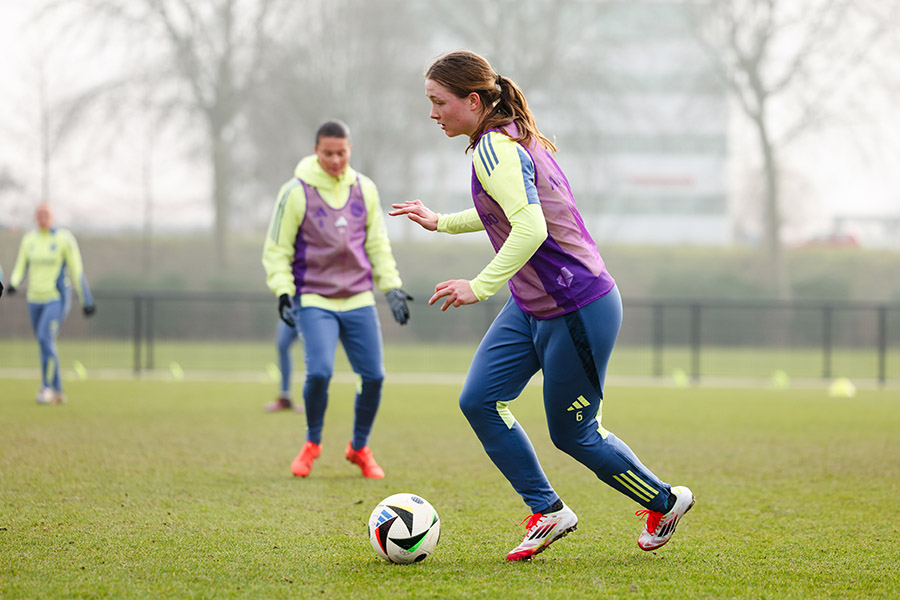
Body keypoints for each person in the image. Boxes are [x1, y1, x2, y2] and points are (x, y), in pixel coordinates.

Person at [389, 50, 694, 561]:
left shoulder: (496, 148)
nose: (433, 113)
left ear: (473, 100)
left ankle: (665, 501)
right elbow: (505, 211)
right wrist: (441, 221)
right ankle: (548, 511)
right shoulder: (503, 140)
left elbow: (530, 227)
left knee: (574, 435)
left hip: (578, 307)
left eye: (439, 102)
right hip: (532, 305)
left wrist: (478, 286)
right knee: (479, 400)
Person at [262, 119, 413, 479]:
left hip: (359, 297)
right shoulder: (295, 192)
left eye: (341, 153)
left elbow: (378, 244)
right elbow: (277, 249)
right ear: (316, 151)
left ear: (350, 150)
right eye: (328, 153)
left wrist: (391, 287)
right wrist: (283, 290)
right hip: (314, 297)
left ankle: (359, 448)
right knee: (319, 372)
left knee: (374, 376)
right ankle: (312, 443)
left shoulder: (365, 189)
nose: (335, 160)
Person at [7, 202, 95, 405]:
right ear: (35, 217)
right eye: (39, 213)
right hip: (34, 299)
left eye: (46, 213)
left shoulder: (63, 239)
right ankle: (58, 390)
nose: (42, 217)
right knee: (44, 342)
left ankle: (46, 387)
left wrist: (86, 300)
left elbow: (76, 269)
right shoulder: (29, 240)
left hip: (56, 298)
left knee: (45, 337)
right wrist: (13, 283)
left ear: (52, 216)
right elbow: (21, 266)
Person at [265, 319, 304, 413]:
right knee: (282, 345)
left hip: (309, 313)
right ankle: (285, 397)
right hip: (290, 313)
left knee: (311, 349)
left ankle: (313, 400)